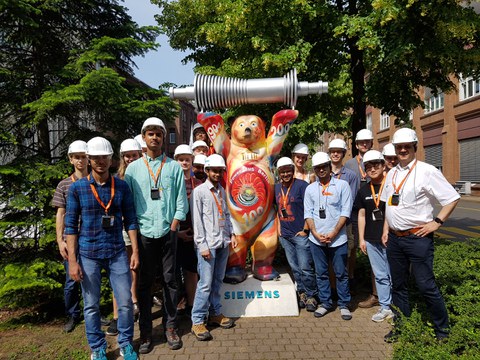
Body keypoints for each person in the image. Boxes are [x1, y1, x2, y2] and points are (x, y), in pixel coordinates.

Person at [380, 128, 459, 341]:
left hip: (418, 239)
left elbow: (451, 198)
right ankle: (401, 326)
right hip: (395, 239)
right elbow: (389, 203)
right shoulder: (392, 173)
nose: (403, 150)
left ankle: (442, 330)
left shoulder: (427, 171)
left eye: (407, 146)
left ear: (415, 147)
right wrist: (387, 229)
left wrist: (437, 222)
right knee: (398, 285)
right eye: (399, 147)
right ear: (395, 149)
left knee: (426, 285)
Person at [65, 137, 139, 360]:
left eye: (104, 157)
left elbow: (131, 220)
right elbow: (70, 226)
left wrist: (134, 251)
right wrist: (72, 261)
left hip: (117, 251)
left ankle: (125, 343)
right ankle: (97, 347)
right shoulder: (77, 189)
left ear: (111, 159)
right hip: (89, 254)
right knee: (91, 305)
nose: (100, 161)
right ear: (89, 159)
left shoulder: (122, 186)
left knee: (125, 302)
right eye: (95, 157)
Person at [124, 117, 188, 354]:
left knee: (171, 281)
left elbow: (181, 201)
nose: (155, 137)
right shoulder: (133, 169)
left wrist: (174, 224)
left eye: (158, 134)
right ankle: (146, 334)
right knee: (145, 284)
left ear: (163, 138)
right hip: (144, 233)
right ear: (143, 138)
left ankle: (170, 327)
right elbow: (128, 204)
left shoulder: (172, 167)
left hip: (167, 232)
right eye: (150, 134)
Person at [190, 154, 237, 341]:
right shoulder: (199, 192)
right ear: (207, 171)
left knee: (217, 281)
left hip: (222, 242)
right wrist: (202, 245)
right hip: (207, 246)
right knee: (205, 284)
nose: (217, 174)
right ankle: (197, 321)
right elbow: (197, 221)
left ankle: (215, 313)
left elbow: (226, 214)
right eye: (214, 171)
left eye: (220, 171)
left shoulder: (221, 191)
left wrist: (232, 234)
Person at [304, 152, 353, 320]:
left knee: (341, 273)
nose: (321, 170)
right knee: (321, 273)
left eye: (324, 166)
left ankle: (344, 304)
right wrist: (316, 233)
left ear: (329, 167)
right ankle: (326, 303)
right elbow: (308, 214)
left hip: (338, 239)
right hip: (316, 240)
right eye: (317, 168)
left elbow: (345, 212)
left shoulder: (342, 185)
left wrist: (333, 232)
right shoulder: (310, 189)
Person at [106, 138, 142, 336]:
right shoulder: (116, 179)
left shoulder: (143, 175)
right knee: (119, 269)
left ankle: (133, 302)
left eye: (133, 155)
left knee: (134, 266)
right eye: (127, 156)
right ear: (122, 157)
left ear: (139, 155)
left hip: (139, 227)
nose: (130, 159)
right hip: (120, 228)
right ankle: (118, 314)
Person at [52, 140, 88, 333]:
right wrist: (60, 241)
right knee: (71, 282)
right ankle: (73, 315)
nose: (80, 160)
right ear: (71, 160)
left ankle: (93, 313)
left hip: (91, 239)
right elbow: (60, 214)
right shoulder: (64, 184)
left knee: (91, 279)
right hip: (71, 240)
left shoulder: (95, 181)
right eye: (77, 157)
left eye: (83, 156)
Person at [274, 157, 317, 311]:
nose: (285, 174)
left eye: (288, 171)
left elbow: (310, 208)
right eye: (282, 171)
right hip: (285, 235)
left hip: (300, 234)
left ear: (292, 171)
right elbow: (276, 210)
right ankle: (302, 293)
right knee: (295, 267)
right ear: (279, 172)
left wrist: (305, 229)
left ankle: (311, 295)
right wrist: (279, 229)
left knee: (305, 267)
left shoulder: (302, 186)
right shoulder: (276, 188)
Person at [355, 150, 393, 322]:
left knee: (393, 273)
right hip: (371, 239)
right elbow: (362, 215)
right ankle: (385, 307)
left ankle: (396, 306)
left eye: (376, 165)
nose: (372, 169)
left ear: (383, 165)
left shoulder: (391, 185)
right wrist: (362, 239)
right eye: (368, 167)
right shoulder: (364, 190)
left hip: (390, 238)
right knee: (380, 274)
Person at [174, 144, 202, 316]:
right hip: (175, 232)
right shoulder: (170, 183)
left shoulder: (198, 183)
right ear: (176, 161)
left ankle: (192, 305)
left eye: (187, 159)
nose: (184, 162)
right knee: (174, 272)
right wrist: (176, 232)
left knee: (191, 271)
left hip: (193, 232)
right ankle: (177, 304)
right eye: (181, 160)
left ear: (192, 160)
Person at [344, 129, 374, 289]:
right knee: (353, 245)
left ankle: (374, 282)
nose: (364, 144)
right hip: (355, 212)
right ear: (356, 145)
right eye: (361, 142)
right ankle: (351, 276)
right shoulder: (349, 164)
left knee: (375, 246)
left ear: (371, 143)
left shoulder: (377, 160)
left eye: (367, 141)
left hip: (373, 211)